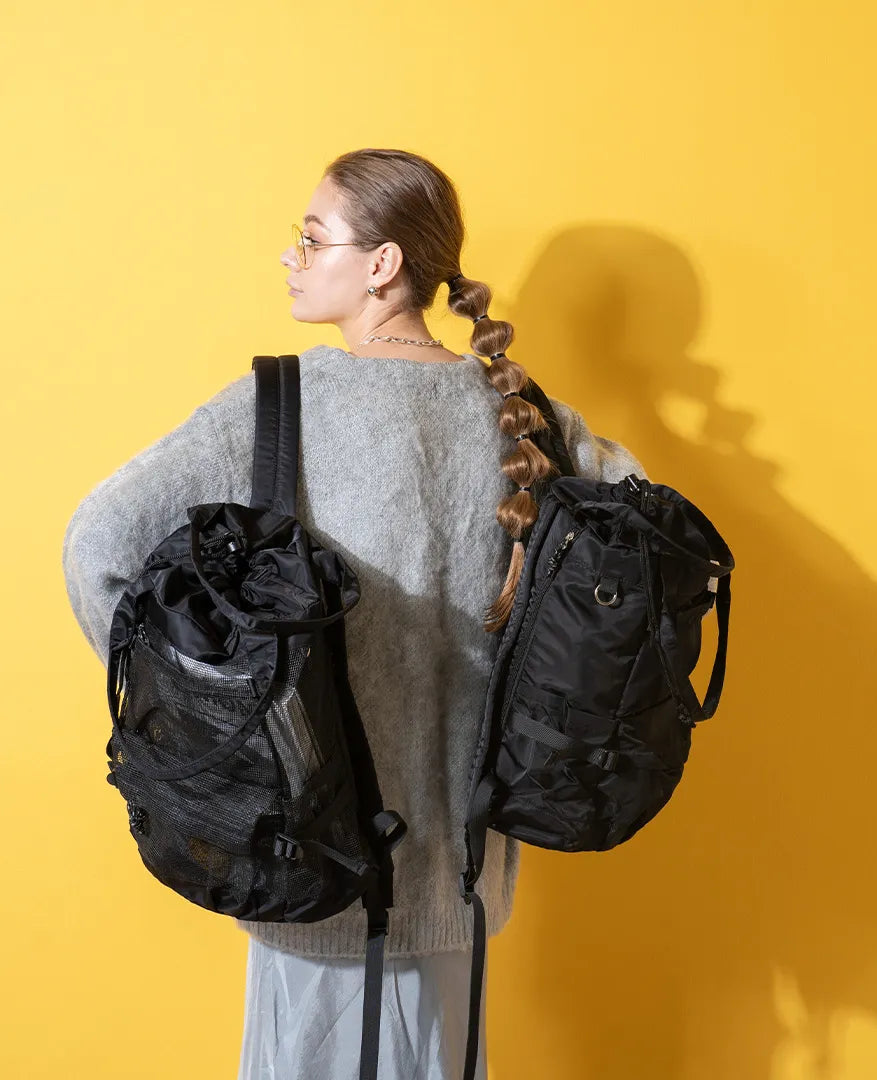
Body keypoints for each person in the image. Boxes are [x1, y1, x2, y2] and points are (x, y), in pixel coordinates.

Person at [61, 147, 648, 1080]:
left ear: (382, 264)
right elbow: (644, 555)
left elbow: (96, 546)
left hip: (309, 865)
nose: (291, 255)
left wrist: (197, 721)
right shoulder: (527, 417)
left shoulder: (278, 402)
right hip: (466, 878)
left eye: (311, 235)